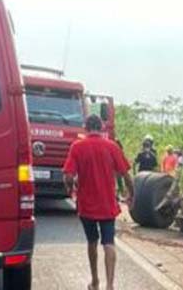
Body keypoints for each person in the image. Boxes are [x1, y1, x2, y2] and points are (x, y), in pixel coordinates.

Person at [64, 114, 134, 290]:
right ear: (102, 128)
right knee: (109, 243)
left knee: (92, 242)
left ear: (86, 128)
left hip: (86, 205)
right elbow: (127, 176)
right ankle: (110, 286)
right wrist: (131, 195)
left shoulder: (77, 147)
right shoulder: (112, 146)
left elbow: (68, 176)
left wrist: (69, 189)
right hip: (107, 205)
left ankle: (95, 281)